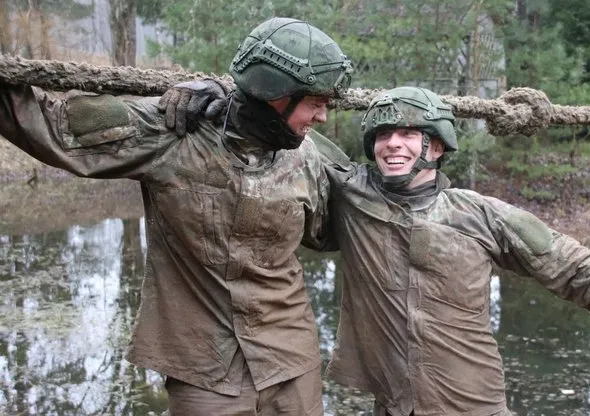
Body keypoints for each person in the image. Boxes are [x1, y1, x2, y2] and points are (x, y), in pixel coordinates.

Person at [165, 84, 590, 415]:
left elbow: (569, 263)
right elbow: (281, 127)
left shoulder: (478, 213)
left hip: (474, 403)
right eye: (384, 134)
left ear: (434, 146)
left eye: (409, 134)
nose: (393, 143)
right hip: (393, 405)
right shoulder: (350, 192)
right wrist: (219, 90)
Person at [0, 17, 353, 415]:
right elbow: (54, 126)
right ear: (275, 95)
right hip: (204, 371)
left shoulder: (306, 156)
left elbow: (342, 222)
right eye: (315, 103)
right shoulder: (173, 132)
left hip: (292, 362)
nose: (323, 117)